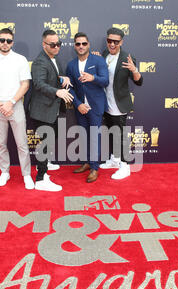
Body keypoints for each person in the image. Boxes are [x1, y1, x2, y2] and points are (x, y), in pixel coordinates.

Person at [0, 28, 34, 189]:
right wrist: (0, 104)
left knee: (22, 143)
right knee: (0, 143)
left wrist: (10, 102)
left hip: (15, 106)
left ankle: (26, 175)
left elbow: (25, 84)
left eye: (8, 41)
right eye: (2, 40)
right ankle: (5, 172)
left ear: (12, 42)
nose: (5, 43)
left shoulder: (20, 60)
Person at [29, 29, 74, 191]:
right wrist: (57, 91)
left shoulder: (53, 59)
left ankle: (44, 164)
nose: (57, 47)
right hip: (42, 110)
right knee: (45, 144)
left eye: (59, 44)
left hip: (51, 109)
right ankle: (40, 179)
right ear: (44, 44)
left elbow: (55, 76)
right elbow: (39, 84)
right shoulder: (40, 61)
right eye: (53, 44)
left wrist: (63, 78)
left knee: (49, 140)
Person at [100, 27, 143, 180]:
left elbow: (139, 82)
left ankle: (125, 167)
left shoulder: (127, 58)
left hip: (119, 104)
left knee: (120, 136)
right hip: (106, 102)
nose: (112, 44)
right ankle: (114, 159)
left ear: (121, 42)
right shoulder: (104, 54)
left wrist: (135, 70)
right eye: (109, 40)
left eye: (116, 42)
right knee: (112, 133)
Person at [66, 32, 109, 183]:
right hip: (81, 107)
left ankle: (94, 168)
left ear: (88, 44)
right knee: (83, 136)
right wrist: (78, 104)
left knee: (94, 137)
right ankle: (86, 163)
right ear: (75, 46)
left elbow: (105, 81)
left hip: (95, 107)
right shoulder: (71, 65)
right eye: (78, 44)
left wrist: (93, 78)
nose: (81, 46)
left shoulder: (98, 60)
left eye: (84, 43)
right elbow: (69, 87)